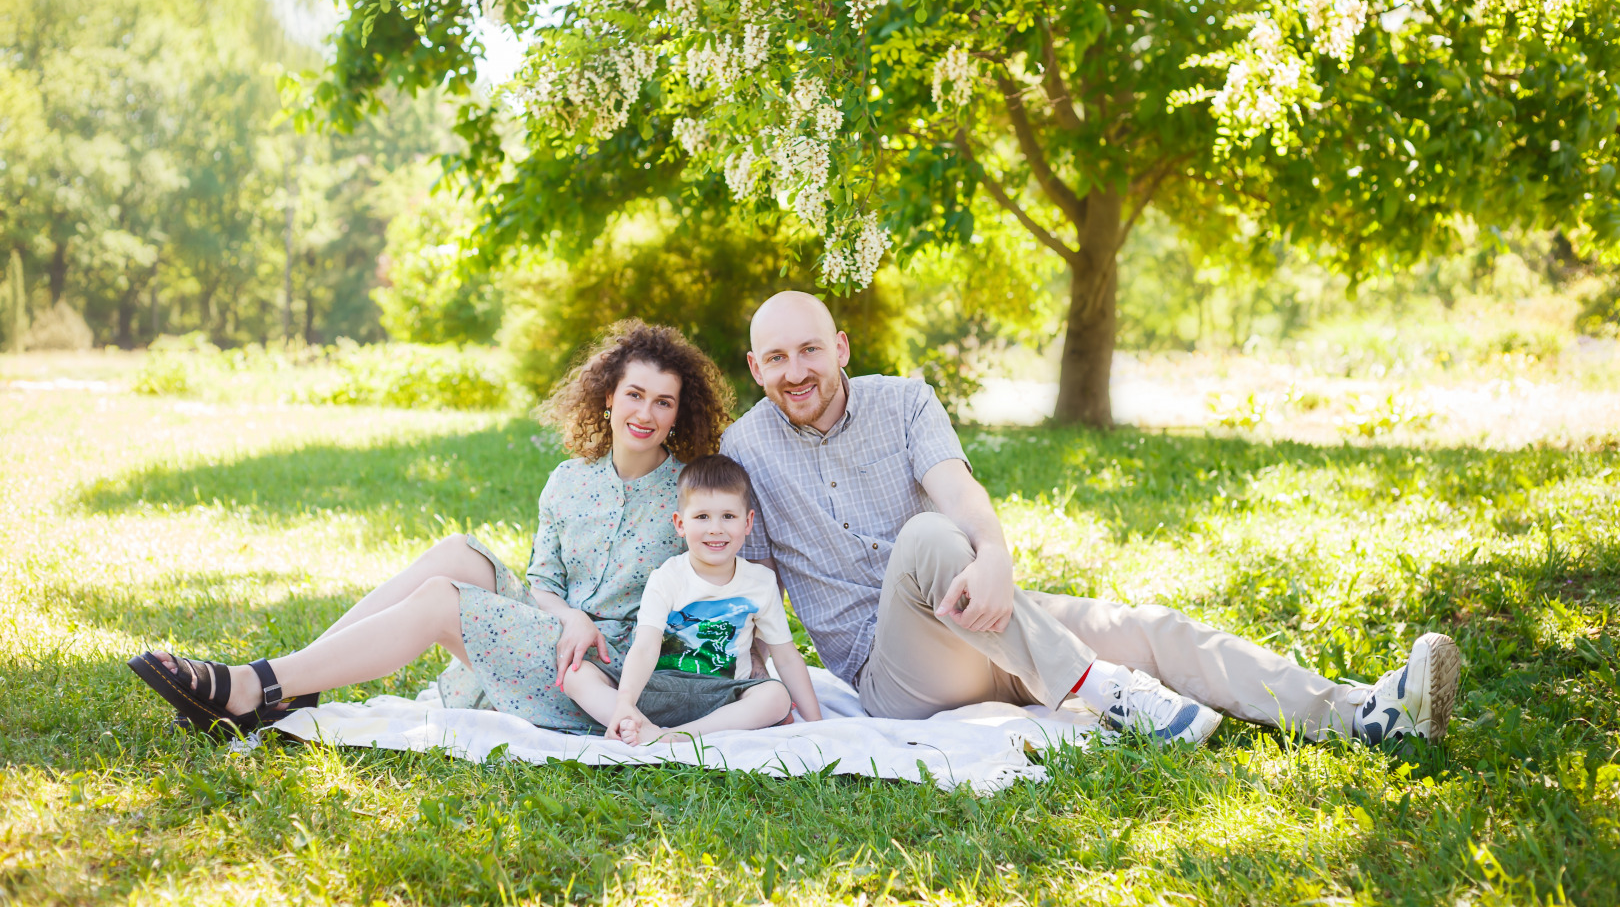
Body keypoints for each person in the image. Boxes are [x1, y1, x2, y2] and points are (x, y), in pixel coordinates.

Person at [720, 291, 1460, 747]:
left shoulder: (904, 401)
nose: (796, 372)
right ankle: (1097, 689)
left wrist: (998, 551)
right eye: (776, 358)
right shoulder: (744, 446)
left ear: (841, 348)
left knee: (1154, 630)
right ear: (755, 369)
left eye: (811, 349)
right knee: (925, 539)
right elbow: (747, 581)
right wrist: (755, 689)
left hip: (987, 624)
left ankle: (1363, 714)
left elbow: (957, 490)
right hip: (898, 674)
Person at [129, 320, 734, 736]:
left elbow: (714, 591)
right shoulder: (567, 481)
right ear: (608, 397)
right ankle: (296, 682)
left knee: (443, 602)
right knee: (457, 553)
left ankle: (250, 686)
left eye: (664, 402)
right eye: (635, 394)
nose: (646, 414)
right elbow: (544, 582)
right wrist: (569, 614)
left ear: (680, 413)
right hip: (558, 630)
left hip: (605, 670)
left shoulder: (690, 494)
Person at [560, 454, 823, 744]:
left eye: (728, 516)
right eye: (702, 517)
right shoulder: (667, 577)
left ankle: (672, 737)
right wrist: (625, 700)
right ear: (680, 523)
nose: (715, 528)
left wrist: (817, 724)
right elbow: (646, 646)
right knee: (577, 676)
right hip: (658, 690)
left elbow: (786, 657)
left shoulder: (760, 582)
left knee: (775, 696)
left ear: (747, 522)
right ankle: (634, 720)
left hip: (723, 698)